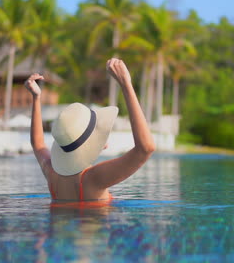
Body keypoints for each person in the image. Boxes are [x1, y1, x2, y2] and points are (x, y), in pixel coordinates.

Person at [25, 58, 155, 202]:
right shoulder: (94, 178)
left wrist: (36, 98)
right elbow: (145, 149)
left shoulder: (51, 173)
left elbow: (37, 144)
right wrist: (126, 84)